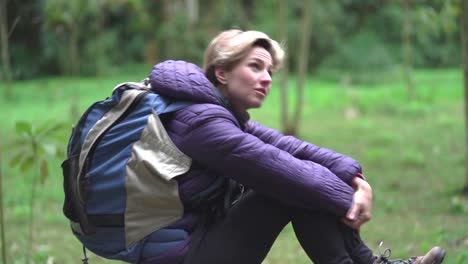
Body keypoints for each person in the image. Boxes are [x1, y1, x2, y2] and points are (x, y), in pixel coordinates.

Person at [140, 29, 446, 264]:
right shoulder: (202, 124)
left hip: (201, 235)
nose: (266, 79)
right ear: (222, 73)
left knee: (303, 181)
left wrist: (355, 178)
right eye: (256, 67)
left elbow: (291, 148)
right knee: (292, 187)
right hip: (182, 255)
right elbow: (280, 169)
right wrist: (347, 201)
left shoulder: (227, 118)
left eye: (270, 71)